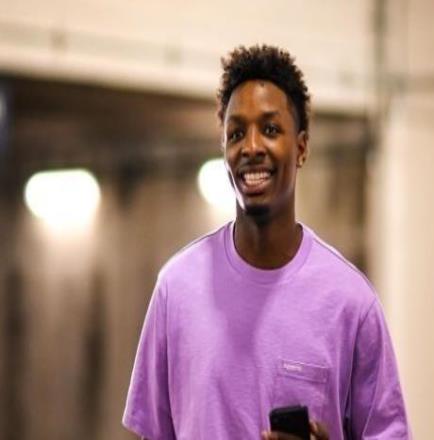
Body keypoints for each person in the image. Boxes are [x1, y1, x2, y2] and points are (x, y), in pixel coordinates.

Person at [122, 45, 411, 440]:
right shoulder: (177, 288)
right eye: (236, 133)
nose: (252, 147)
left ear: (302, 147)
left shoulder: (351, 303)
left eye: (271, 130)